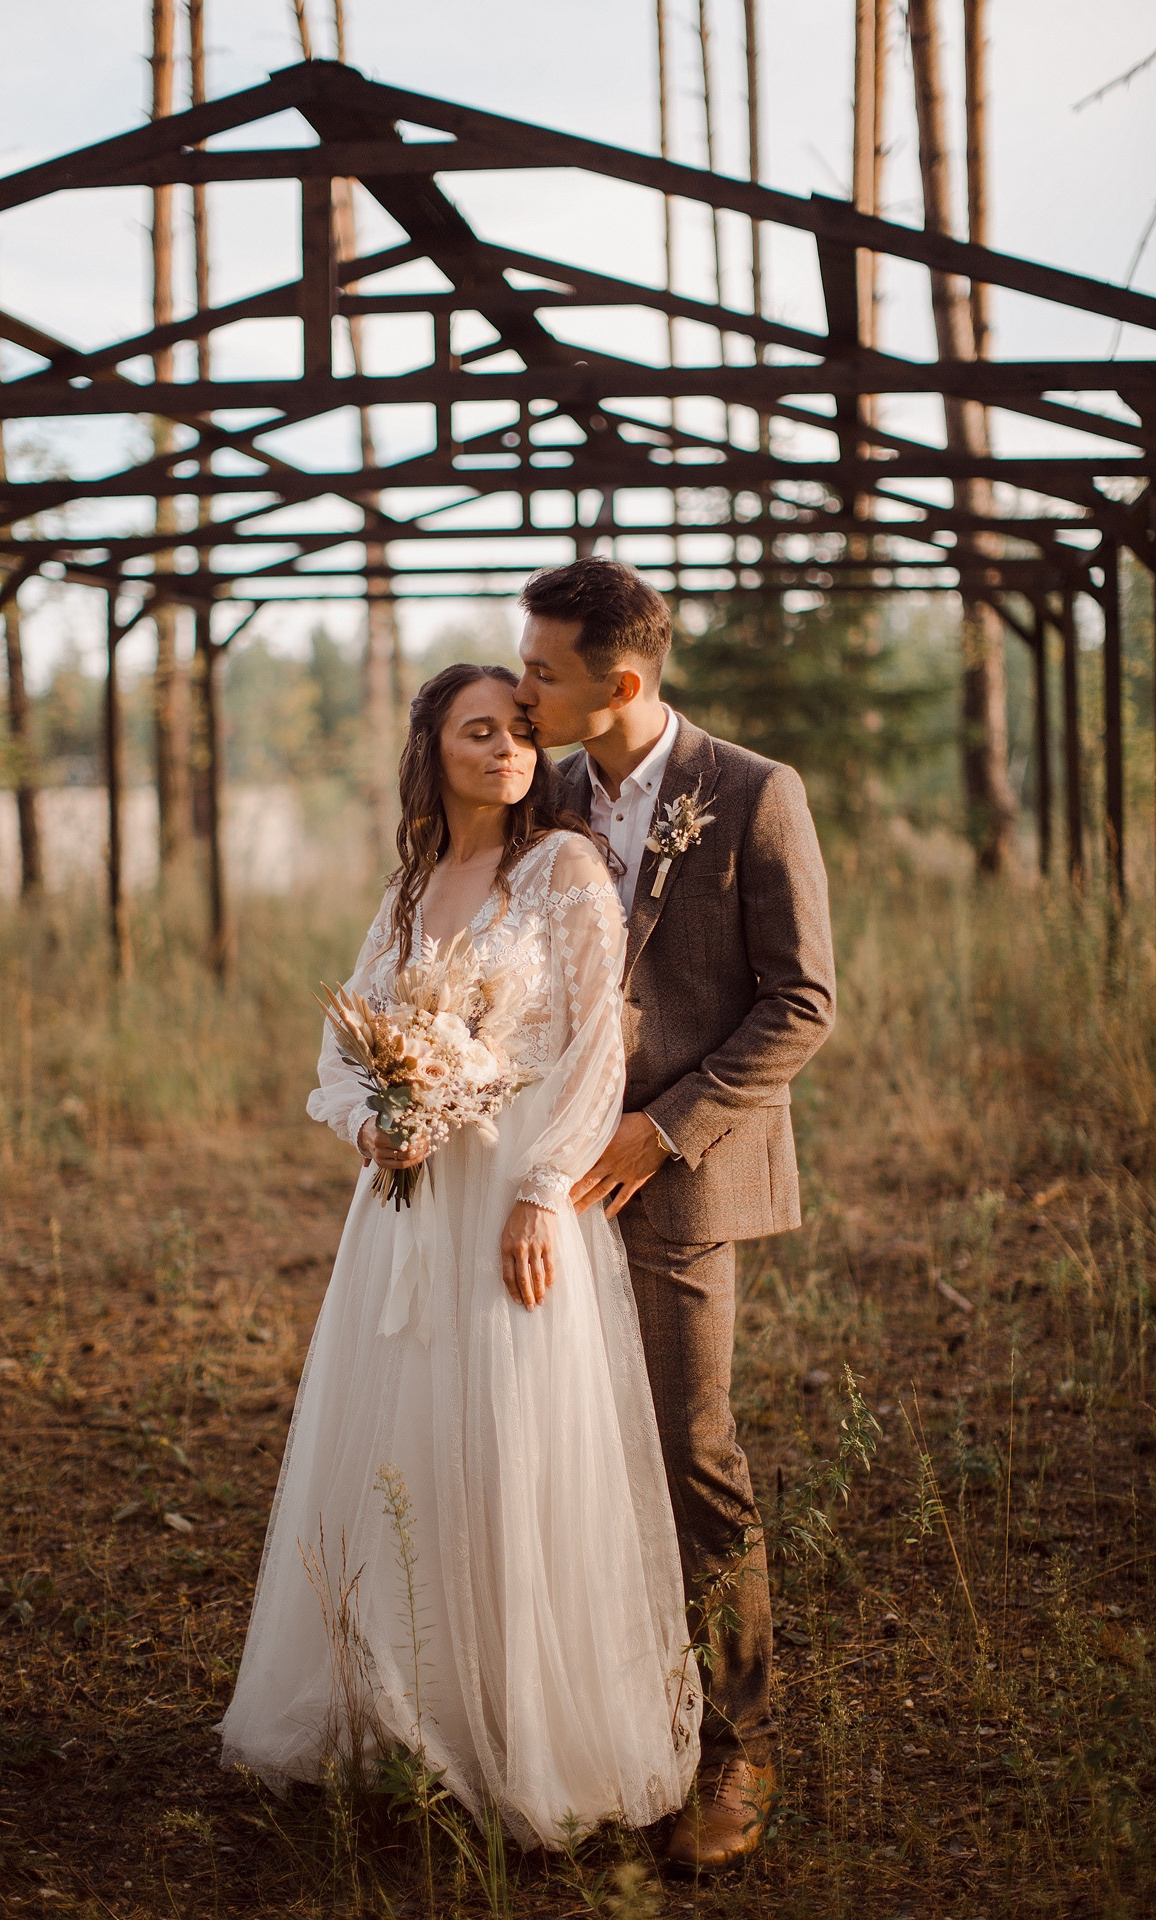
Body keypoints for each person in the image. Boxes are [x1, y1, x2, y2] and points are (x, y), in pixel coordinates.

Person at [219, 662, 701, 1849]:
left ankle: (518, 1723)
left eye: (518, 731)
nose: (504, 750)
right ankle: (400, 1714)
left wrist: (543, 1191)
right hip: (404, 1203)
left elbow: (599, 1047)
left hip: (517, 1199)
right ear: (429, 745)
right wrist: (380, 1119)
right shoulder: (407, 887)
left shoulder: (565, 870)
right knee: (401, 1443)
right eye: (476, 732)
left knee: (507, 1439)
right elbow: (342, 1053)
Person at [514, 558, 836, 1869]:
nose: (522, 688)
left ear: (622, 683)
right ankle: (587, 1720)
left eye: (543, 671)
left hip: (681, 1180)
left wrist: (669, 1126)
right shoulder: (536, 789)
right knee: (561, 1453)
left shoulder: (757, 797)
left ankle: (733, 1746)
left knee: (691, 1448)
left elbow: (801, 1003)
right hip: (544, 1173)